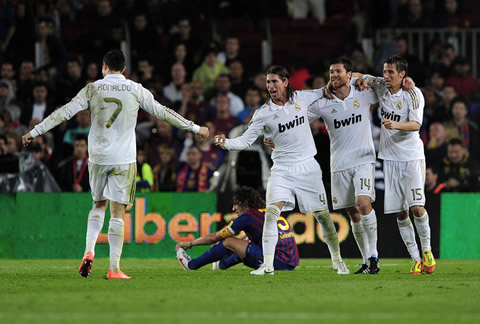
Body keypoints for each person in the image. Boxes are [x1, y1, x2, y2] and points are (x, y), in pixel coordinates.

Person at [21, 49, 209, 279]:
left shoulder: (93, 88)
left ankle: (89, 251)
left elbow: (64, 113)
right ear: (124, 69)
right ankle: (114, 268)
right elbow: (164, 113)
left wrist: (34, 131)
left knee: (98, 205)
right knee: (118, 213)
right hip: (124, 159)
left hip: (98, 157)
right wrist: (195, 128)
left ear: (104, 67)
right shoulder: (135, 89)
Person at [214, 65, 349, 275]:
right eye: (268, 82)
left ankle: (337, 260)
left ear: (286, 82)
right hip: (282, 169)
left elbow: (327, 88)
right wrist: (226, 143)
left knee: (323, 216)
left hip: (308, 167)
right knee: (271, 213)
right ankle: (267, 265)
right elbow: (246, 140)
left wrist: (354, 77)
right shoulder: (263, 113)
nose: (270, 85)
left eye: (274, 81)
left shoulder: (302, 99)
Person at [307, 58, 380, 274]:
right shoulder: (323, 102)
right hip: (339, 165)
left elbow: (385, 85)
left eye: (338, 71)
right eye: (331, 72)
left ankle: (374, 255)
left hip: (364, 159)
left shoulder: (364, 93)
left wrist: (361, 77)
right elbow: (299, 119)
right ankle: (366, 260)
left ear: (349, 74)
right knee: (354, 214)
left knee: (364, 203)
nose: (334, 75)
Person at [366, 55, 436, 274]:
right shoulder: (381, 88)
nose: (386, 76)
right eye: (385, 71)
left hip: (411, 157)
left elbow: (416, 124)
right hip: (390, 158)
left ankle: (427, 251)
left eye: (391, 72)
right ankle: (415, 258)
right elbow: (359, 77)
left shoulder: (413, 94)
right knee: (400, 212)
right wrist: (358, 79)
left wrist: (395, 125)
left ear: (402, 74)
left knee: (416, 207)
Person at [176, 186, 299, 272]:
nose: (234, 209)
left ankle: (191, 265)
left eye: (236, 204)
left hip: (276, 262)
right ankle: (220, 265)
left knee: (229, 241)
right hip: (290, 263)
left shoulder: (247, 217)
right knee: (242, 243)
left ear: (245, 203)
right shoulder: (265, 212)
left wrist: (190, 243)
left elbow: (214, 237)